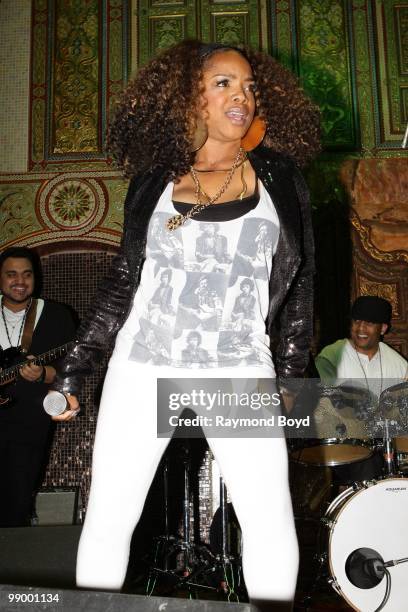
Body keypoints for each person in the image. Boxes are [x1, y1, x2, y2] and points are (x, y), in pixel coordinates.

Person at [51, 40, 320, 610]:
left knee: (269, 522)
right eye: (223, 84)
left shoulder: (279, 178)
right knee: (108, 518)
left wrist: (293, 381)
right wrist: (78, 365)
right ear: (190, 97)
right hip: (144, 362)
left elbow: (300, 291)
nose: (241, 96)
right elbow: (123, 281)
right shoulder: (154, 179)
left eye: (248, 86)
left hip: (239, 368)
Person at [0, 247, 77, 527]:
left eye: (26, 274)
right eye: (11, 274)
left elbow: (72, 370)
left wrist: (43, 373)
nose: (19, 281)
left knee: (17, 500)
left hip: (28, 421)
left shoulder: (56, 316)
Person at [314, 295, 408, 482]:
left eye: (369, 323)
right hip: (343, 443)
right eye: (356, 321)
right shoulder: (332, 355)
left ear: (383, 328)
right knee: (369, 463)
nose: (360, 329)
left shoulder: (398, 364)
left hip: (386, 445)